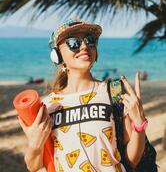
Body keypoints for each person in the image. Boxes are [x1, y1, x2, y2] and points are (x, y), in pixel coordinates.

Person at [18, 18, 147, 172]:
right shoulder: (48, 106)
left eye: (90, 40)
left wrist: (139, 124)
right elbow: (34, 167)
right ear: (57, 55)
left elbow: (131, 161)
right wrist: (34, 144)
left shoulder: (114, 92)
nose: (85, 46)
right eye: (74, 43)